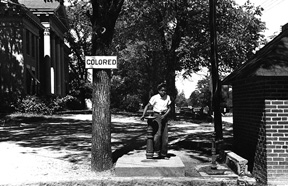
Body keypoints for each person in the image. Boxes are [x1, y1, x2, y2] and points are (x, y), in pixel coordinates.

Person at [141, 83, 171, 159]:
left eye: (165, 90)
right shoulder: (155, 97)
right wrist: (143, 115)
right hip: (156, 115)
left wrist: (165, 115)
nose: (163, 92)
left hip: (164, 116)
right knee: (158, 135)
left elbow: (169, 108)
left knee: (165, 136)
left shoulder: (168, 97)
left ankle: (163, 154)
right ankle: (156, 151)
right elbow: (147, 105)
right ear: (158, 91)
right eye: (162, 90)